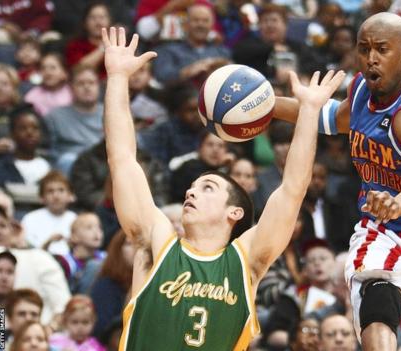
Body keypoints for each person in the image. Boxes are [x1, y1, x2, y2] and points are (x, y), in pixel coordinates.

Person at [101, 26, 344, 350]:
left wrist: (309, 111)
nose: (191, 192)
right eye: (192, 187)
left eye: (207, 187)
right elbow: (122, 159)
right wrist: (117, 78)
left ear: (235, 211)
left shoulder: (246, 261)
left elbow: (292, 189)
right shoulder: (157, 243)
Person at [273, 12, 401, 351]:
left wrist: (398, 202)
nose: (371, 58)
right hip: (383, 230)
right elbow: (331, 118)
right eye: (364, 48)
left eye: (382, 49)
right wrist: (264, 107)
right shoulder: (360, 91)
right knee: (377, 296)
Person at [21, 171, 76, 256]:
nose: (56, 196)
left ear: (71, 196)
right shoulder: (30, 219)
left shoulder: (75, 219)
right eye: (50, 191)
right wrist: (48, 242)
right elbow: (28, 252)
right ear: (41, 198)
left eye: (61, 190)